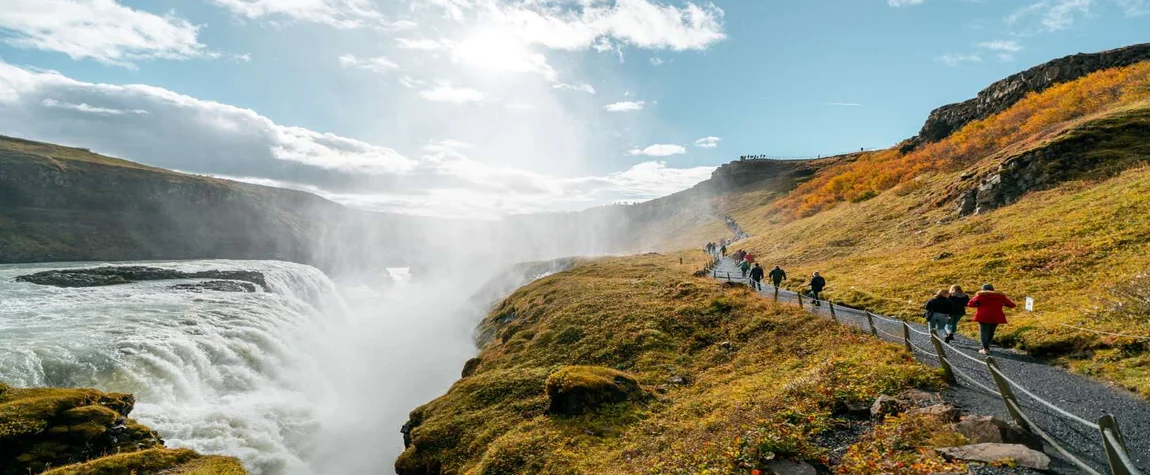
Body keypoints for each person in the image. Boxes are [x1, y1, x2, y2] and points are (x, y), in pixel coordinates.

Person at [967, 284, 1017, 355]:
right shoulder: (1000, 296)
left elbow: (970, 304)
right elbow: (1012, 305)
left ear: (982, 289)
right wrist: (1002, 304)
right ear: (993, 289)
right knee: (991, 331)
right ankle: (986, 346)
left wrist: (978, 305)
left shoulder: (981, 295)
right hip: (996, 316)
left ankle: (985, 348)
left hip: (983, 316)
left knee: (984, 332)